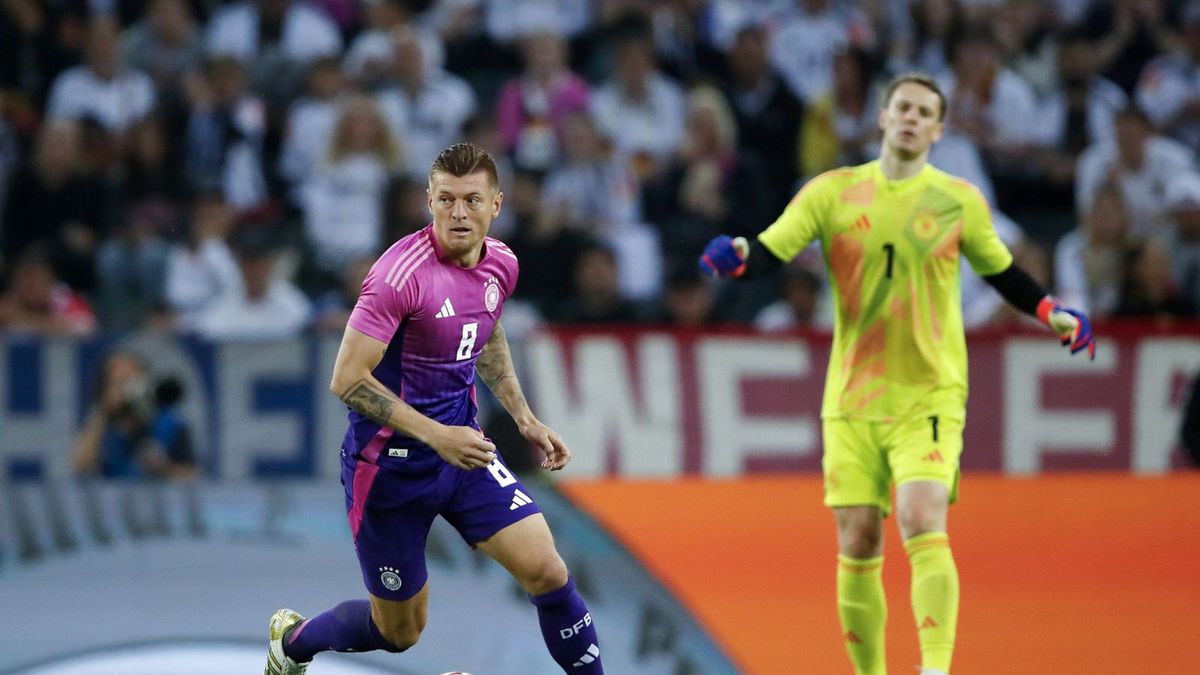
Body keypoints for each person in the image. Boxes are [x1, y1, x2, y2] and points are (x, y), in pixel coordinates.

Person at [698, 74, 1096, 675]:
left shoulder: (958, 200)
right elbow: (771, 248)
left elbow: (1002, 271)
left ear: (938, 130)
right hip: (853, 398)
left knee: (920, 515)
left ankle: (934, 669)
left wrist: (1050, 311)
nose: (911, 118)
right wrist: (738, 257)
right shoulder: (832, 192)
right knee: (858, 538)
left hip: (929, 392)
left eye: (924, 112)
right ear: (883, 118)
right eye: (902, 108)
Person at [266, 143, 603, 674]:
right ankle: (292, 643)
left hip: (465, 455)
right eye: (446, 199)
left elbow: (486, 332)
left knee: (548, 571)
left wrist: (523, 417)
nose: (458, 213)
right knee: (398, 633)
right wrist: (437, 436)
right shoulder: (398, 277)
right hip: (390, 472)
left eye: (472, 200)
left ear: (497, 204)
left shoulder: (502, 264)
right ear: (429, 201)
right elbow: (346, 379)